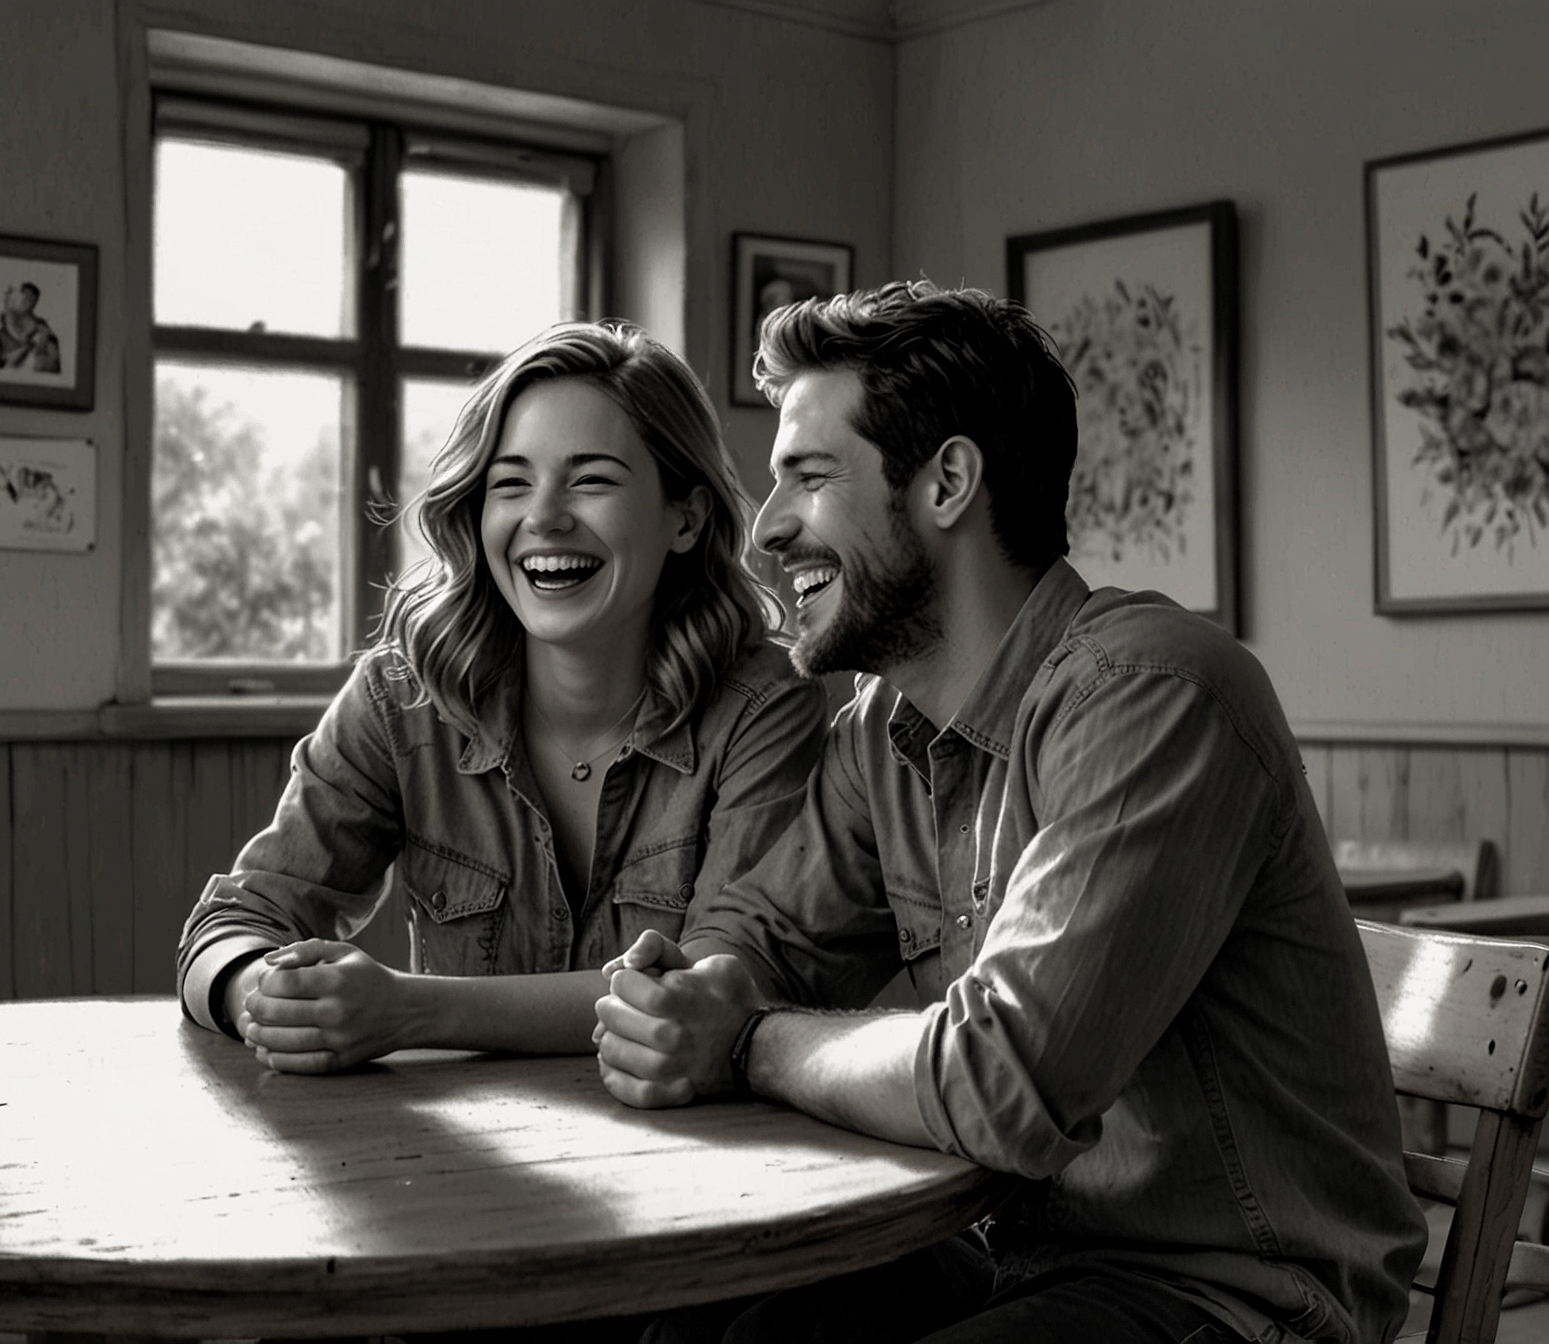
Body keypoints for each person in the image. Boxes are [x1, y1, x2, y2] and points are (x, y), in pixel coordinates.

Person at [593, 282, 1427, 1344]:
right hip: (1019, 1259)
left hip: (1241, 1295)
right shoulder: (878, 731)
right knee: (697, 1325)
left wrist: (746, 1041)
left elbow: (1003, 1079)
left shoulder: (1155, 696)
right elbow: (760, 943)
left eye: (807, 477)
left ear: (946, 481)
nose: (764, 530)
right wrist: (690, 997)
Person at [176, 320, 826, 1077]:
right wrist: (271, 994)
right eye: (510, 483)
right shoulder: (403, 695)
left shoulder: (764, 708)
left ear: (686, 516)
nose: (542, 517)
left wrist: (412, 1010)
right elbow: (230, 924)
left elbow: (713, 990)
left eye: (591, 480)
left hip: (694, 1163)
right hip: (460, 1167)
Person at [0, 282, 62, 373]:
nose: (7, 295)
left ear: (32, 300)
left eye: (21, 292)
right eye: (9, 292)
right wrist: (29, 346)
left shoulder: (47, 338)